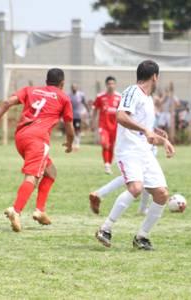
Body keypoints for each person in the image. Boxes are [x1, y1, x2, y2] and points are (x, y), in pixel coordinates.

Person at [0, 68, 74, 232]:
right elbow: (69, 126)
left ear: (46, 81)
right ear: (62, 83)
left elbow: (7, 102)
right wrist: (70, 143)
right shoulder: (64, 98)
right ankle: (15, 210)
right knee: (33, 177)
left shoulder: (31, 90)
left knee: (51, 172)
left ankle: (40, 210)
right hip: (38, 139)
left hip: (21, 138)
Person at [95, 60, 175, 250]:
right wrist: (146, 130)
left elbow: (142, 127)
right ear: (155, 76)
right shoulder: (133, 91)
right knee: (136, 188)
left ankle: (142, 237)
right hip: (129, 150)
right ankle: (105, 229)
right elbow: (121, 116)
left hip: (145, 152)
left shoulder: (148, 99)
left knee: (162, 194)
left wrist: (161, 137)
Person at [91, 76, 121, 174]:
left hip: (115, 126)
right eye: (109, 84)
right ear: (106, 85)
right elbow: (95, 110)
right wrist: (92, 121)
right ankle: (107, 165)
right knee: (105, 144)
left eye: (113, 83)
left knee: (112, 146)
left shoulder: (119, 97)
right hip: (103, 125)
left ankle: (109, 164)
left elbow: (123, 112)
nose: (111, 86)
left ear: (115, 85)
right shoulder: (100, 97)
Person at [69, 83, 89, 150]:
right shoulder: (69, 95)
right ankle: (72, 143)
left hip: (78, 115)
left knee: (77, 129)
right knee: (71, 129)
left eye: (75, 87)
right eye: (72, 87)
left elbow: (84, 102)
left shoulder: (81, 95)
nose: (74, 88)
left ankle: (77, 143)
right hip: (71, 115)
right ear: (71, 88)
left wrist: (87, 110)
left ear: (77, 88)